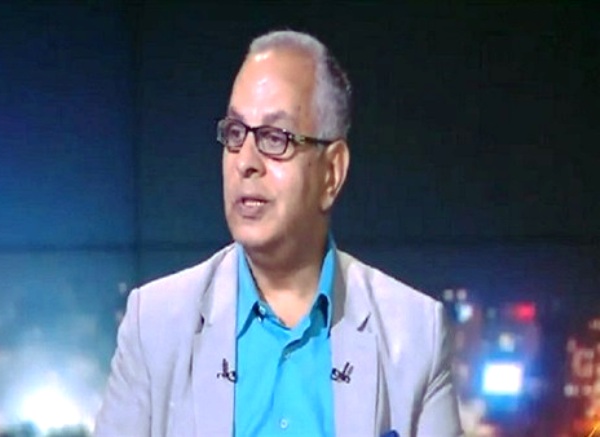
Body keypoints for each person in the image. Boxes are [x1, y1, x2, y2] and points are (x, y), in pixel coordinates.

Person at [94, 30, 463, 437]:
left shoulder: (415, 334)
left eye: (275, 138)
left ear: (332, 173)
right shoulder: (155, 325)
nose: (245, 162)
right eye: (235, 133)